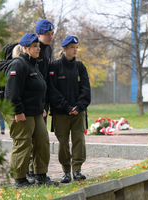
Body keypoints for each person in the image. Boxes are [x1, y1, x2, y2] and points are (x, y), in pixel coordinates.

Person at [5, 33, 59, 188]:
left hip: (35, 112)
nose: (38, 49)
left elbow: (38, 89)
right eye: (35, 46)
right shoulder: (18, 64)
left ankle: (41, 176)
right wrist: (18, 111)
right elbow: (12, 92)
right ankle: (19, 180)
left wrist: (42, 107)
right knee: (22, 144)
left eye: (38, 46)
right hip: (22, 113)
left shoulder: (32, 64)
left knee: (42, 142)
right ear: (26, 48)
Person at [48, 35, 91, 183]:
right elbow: (52, 91)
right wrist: (66, 107)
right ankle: (66, 171)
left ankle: (77, 170)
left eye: (76, 47)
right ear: (65, 48)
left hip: (78, 112)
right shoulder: (54, 67)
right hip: (61, 113)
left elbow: (86, 89)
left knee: (79, 140)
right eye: (72, 47)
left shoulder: (80, 67)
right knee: (64, 143)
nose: (75, 50)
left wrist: (79, 106)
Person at [26, 19, 55, 184]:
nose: (50, 37)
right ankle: (30, 171)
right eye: (47, 34)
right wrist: (41, 105)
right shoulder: (34, 50)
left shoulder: (47, 49)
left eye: (52, 34)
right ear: (38, 35)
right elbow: (35, 81)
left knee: (40, 138)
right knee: (32, 138)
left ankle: (36, 171)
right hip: (34, 103)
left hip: (43, 102)